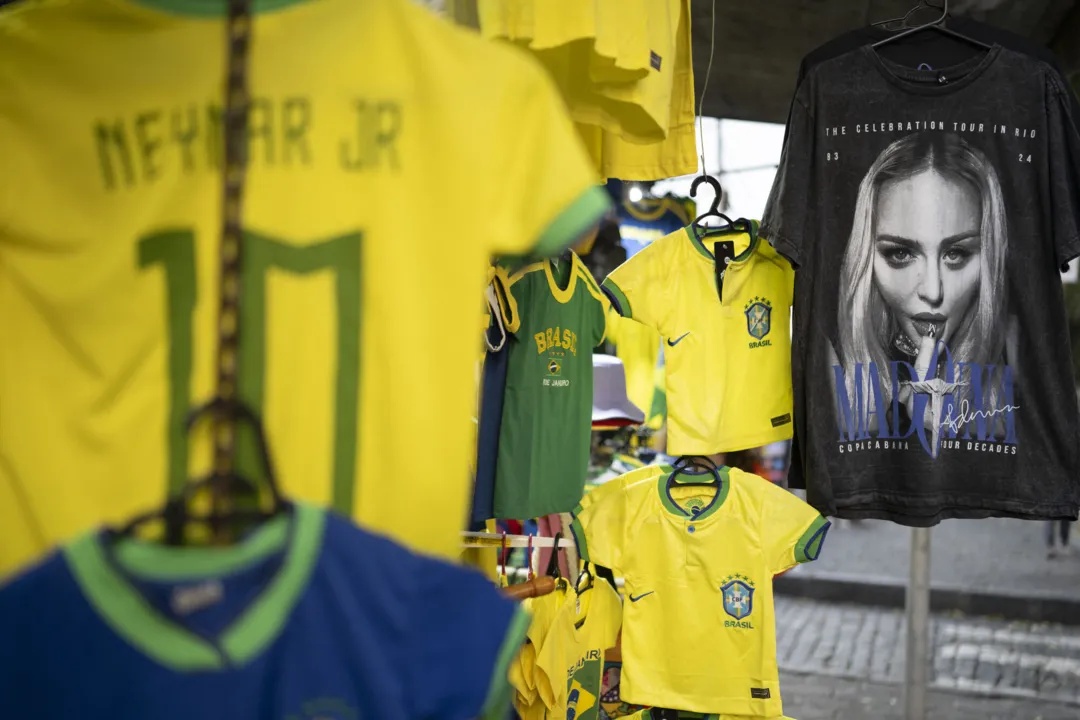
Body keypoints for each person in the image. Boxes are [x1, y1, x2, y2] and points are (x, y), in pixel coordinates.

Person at [833, 132, 1015, 442]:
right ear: (864, 255)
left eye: (956, 254)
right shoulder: (833, 361)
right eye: (901, 254)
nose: (932, 291)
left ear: (990, 256)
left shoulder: (1018, 350)